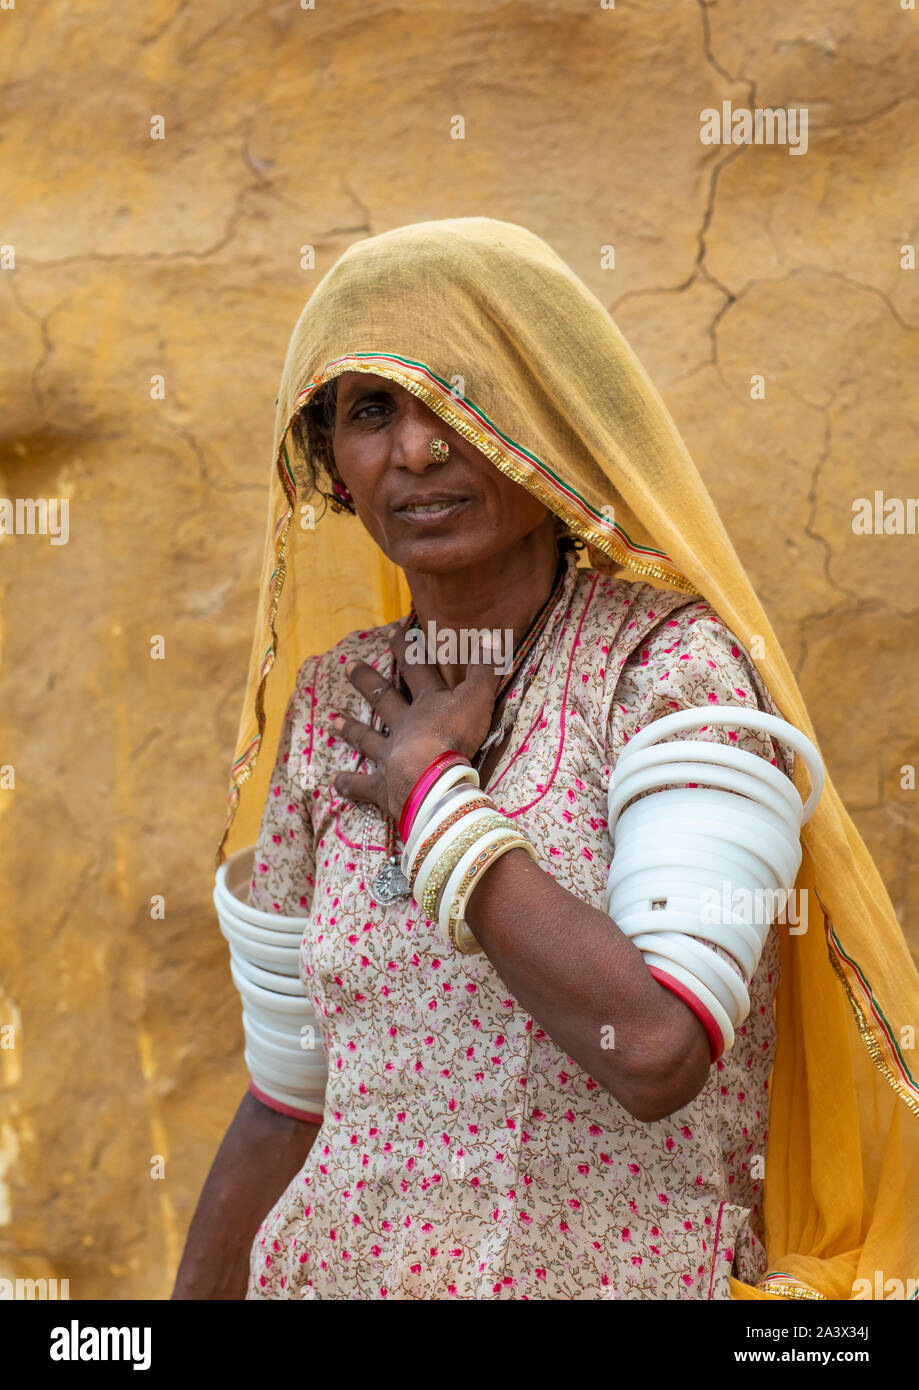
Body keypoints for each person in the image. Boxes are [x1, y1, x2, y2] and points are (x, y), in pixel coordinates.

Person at [172, 217, 919, 1301]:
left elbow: (658, 1045)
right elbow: (289, 1096)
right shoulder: (339, 700)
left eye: (460, 399)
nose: (416, 450)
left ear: (545, 422)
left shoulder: (670, 673)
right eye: (370, 411)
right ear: (330, 464)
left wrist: (434, 797)